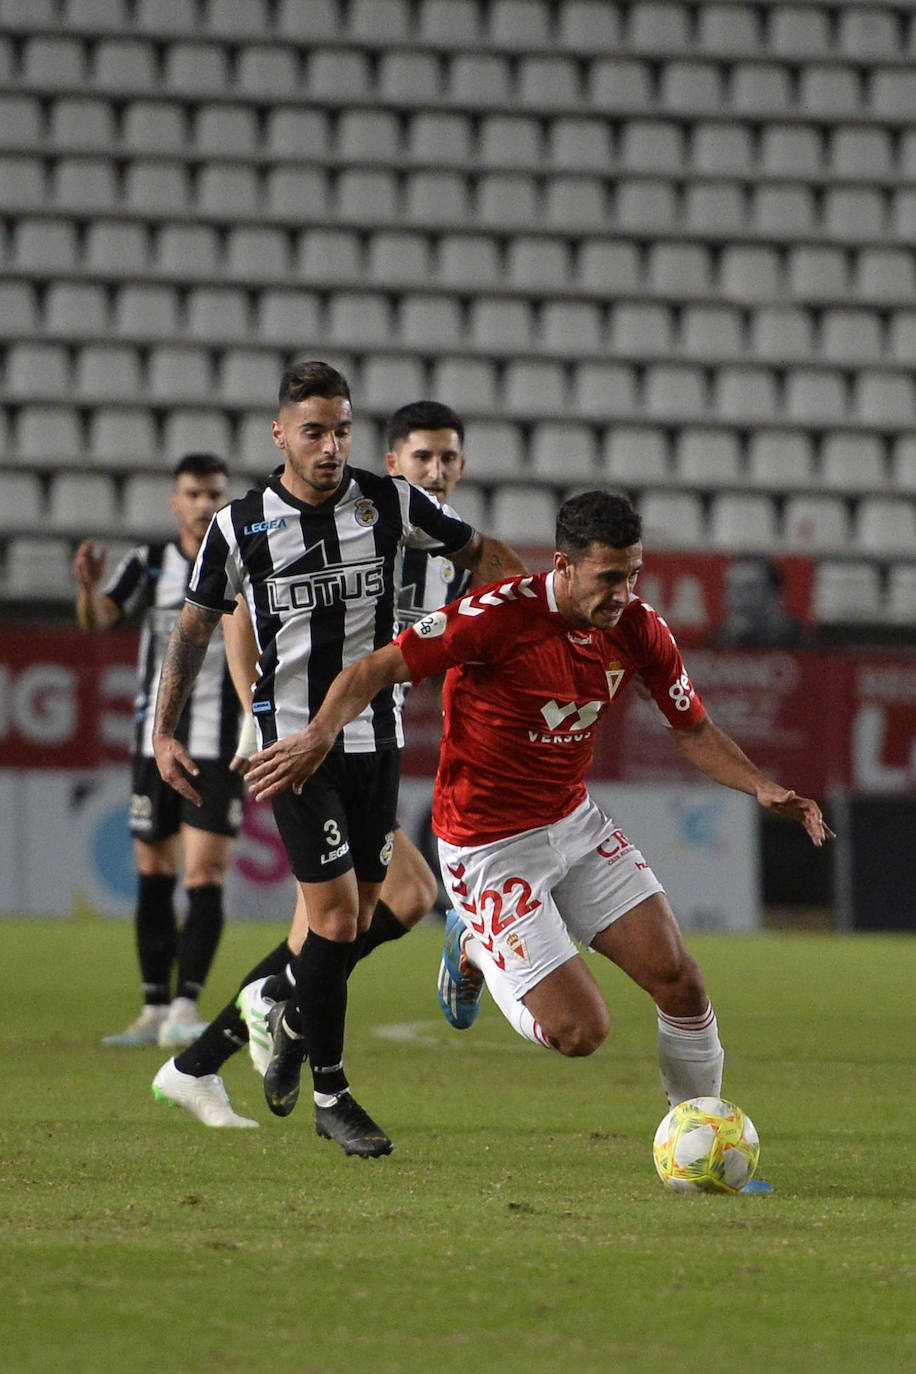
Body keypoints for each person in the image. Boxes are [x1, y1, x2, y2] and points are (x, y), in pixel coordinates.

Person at [245, 490, 833, 1163]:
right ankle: (470, 945)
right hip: (488, 848)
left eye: (632, 574)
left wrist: (760, 784)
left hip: (572, 823)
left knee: (680, 979)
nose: (623, 592)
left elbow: (692, 729)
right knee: (583, 1031)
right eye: (609, 577)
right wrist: (320, 732)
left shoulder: (638, 628)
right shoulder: (496, 617)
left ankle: (697, 1135)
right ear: (563, 565)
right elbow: (375, 668)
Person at [150, 364, 524, 1154]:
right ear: (280, 434)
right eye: (314, 432)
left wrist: (548, 613)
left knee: (357, 920)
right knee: (338, 919)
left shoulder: (387, 504)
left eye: (341, 430)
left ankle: (235, 1035)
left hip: (377, 744)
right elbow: (199, 628)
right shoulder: (240, 525)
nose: (329, 447)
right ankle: (331, 1091)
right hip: (296, 749)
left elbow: (484, 552)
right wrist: (168, 730)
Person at [72, 452, 244, 1049]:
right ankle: (151, 1008)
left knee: (205, 871)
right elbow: (98, 622)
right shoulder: (148, 564)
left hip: (220, 748)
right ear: (175, 502)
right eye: (194, 494)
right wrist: (88, 587)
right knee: (153, 871)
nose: (204, 505)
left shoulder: (243, 568)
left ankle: (185, 1005)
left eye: (215, 494)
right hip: (155, 743)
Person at [713, 555, 806, 648]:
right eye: (732, 588)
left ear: (775, 596)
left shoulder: (805, 644)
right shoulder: (717, 643)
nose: (736, 598)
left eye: (749, 588)